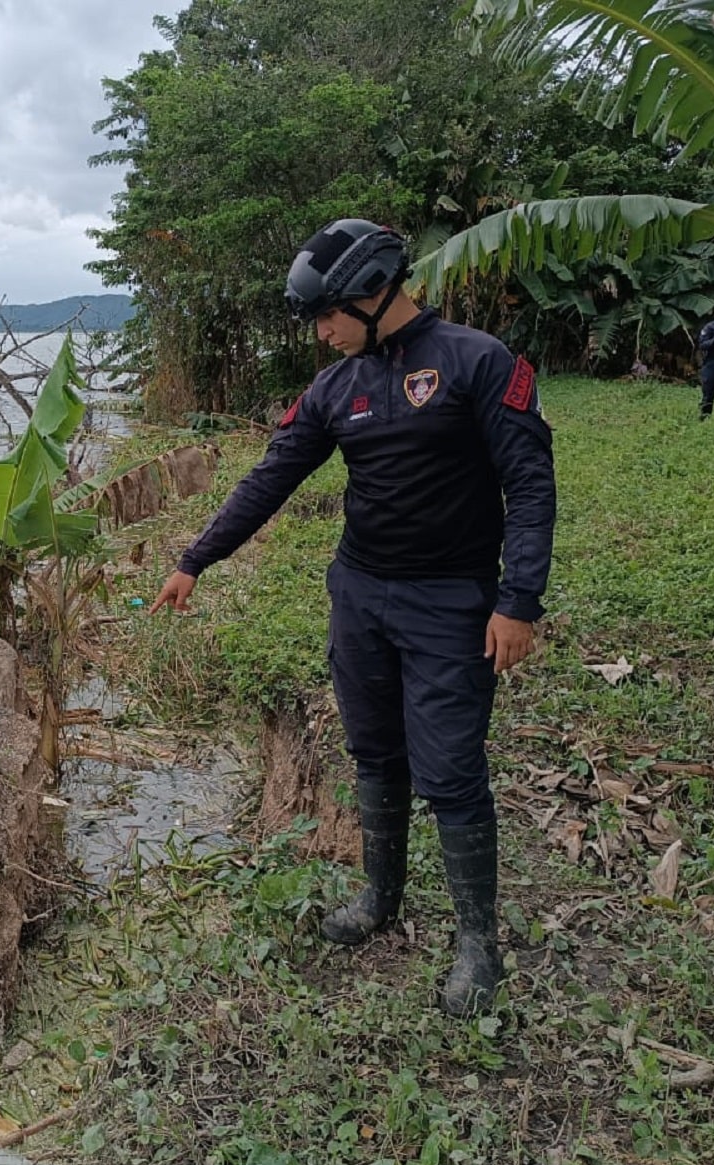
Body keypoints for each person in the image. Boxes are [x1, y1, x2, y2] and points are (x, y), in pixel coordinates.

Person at [149, 219, 556, 1016]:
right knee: (374, 751)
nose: (320, 331)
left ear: (374, 294)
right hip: (361, 596)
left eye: (327, 314)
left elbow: (531, 487)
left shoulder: (479, 362)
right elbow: (270, 480)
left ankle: (478, 943)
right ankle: (381, 897)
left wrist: (519, 601)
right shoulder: (337, 390)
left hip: (452, 601)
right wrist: (195, 560)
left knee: (451, 770)